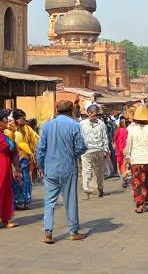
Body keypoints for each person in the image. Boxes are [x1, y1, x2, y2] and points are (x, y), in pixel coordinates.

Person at [36, 99, 87, 244]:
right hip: (68, 167)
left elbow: (40, 149)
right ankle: (73, 231)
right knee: (70, 200)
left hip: (50, 168)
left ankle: (48, 231)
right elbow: (80, 147)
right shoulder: (75, 126)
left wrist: (41, 166)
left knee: (49, 201)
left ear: (57, 110)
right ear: (71, 110)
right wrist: (73, 153)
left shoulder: (47, 126)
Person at [124, 105, 148, 214]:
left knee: (138, 183)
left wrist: (127, 157)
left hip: (136, 160)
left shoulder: (130, 130)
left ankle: (140, 205)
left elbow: (128, 145)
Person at [6, 108, 39, 210]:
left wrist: (34, 152)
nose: (24, 120)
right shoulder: (10, 130)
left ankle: (24, 201)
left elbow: (35, 137)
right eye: (21, 118)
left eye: (24, 118)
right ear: (15, 119)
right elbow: (15, 144)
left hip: (26, 159)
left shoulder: (26, 128)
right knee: (17, 181)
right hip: (16, 159)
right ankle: (17, 202)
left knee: (26, 180)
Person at [80, 104, 109, 197]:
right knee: (86, 169)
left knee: (99, 171)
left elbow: (105, 137)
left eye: (95, 114)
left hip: (98, 150)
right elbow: (79, 137)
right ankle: (86, 187)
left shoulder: (101, 124)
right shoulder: (82, 124)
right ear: (88, 113)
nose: (94, 116)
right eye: (92, 113)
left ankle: (100, 188)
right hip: (86, 151)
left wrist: (105, 150)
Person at [113, 117, 129, 187]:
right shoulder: (126, 130)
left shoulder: (118, 130)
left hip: (120, 149)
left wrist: (114, 145)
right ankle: (124, 176)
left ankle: (123, 176)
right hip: (124, 148)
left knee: (120, 163)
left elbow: (114, 139)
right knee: (124, 163)